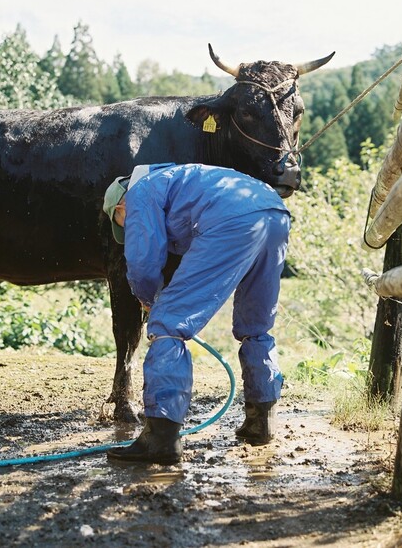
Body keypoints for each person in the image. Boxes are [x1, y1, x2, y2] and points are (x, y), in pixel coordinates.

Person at [102, 162, 291, 464]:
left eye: (120, 221)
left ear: (121, 205)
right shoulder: (179, 179)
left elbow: (142, 261)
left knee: (167, 325)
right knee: (256, 324)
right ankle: (262, 422)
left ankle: (160, 438)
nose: (126, 227)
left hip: (232, 217)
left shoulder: (139, 192)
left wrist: (149, 300)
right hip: (273, 211)